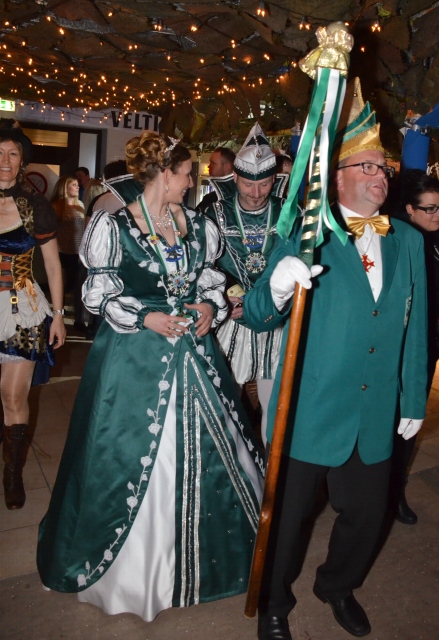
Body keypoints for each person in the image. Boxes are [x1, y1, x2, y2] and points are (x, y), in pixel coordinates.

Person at [37, 131, 264, 622]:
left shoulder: (197, 224)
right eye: (186, 175)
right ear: (164, 173)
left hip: (195, 354)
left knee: (214, 451)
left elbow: (210, 279)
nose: (191, 183)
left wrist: (209, 306)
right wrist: (145, 316)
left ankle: (204, 563)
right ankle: (132, 571)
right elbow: (100, 293)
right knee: (125, 452)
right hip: (134, 357)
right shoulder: (114, 225)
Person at [243, 86, 428, 639]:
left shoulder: (407, 241)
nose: (380, 175)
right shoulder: (307, 233)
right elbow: (256, 314)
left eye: (384, 166)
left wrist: (413, 396)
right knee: (286, 520)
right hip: (310, 410)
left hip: (375, 411)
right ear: (336, 177)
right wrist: (278, 286)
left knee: (367, 517)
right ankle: (274, 604)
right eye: (367, 165)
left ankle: (337, 586)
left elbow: (414, 326)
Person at [204, 123, 295, 445]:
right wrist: (225, 299)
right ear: (234, 178)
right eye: (247, 184)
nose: (256, 194)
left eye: (265, 184)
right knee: (224, 401)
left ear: (275, 179)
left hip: (277, 317)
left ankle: (273, 468)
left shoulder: (289, 213)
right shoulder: (213, 213)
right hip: (230, 317)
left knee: (277, 405)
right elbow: (203, 265)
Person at [0, 120, 66, 510]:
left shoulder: (35, 205)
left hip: (21, 308)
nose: (5, 161)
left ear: (22, 161)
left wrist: (58, 315)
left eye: (13, 154)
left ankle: (12, 473)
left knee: (13, 395)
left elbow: (53, 266)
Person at [391, 170, 439, 524]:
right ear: (409, 208)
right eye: (430, 208)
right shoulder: (401, 240)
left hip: (427, 346)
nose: (438, 214)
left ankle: (393, 491)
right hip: (403, 351)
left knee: (409, 422)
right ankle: (387, 494)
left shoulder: (433, 238)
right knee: (396, 424)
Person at [51, 175, 85, 327]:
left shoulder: (81, 205)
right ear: (65, 187)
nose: (78, 187)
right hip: (61, 250)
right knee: (61, 285)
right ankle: (59, 315)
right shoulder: (55, 206)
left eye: (78, 185)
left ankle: (78, 319)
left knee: (79, 286)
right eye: (74, 185)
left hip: (78, 251)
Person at [196, 147, 236, 215]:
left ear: (226, 167)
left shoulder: (211, 200)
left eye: (213, 163)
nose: (209, 166)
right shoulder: (210, 198)